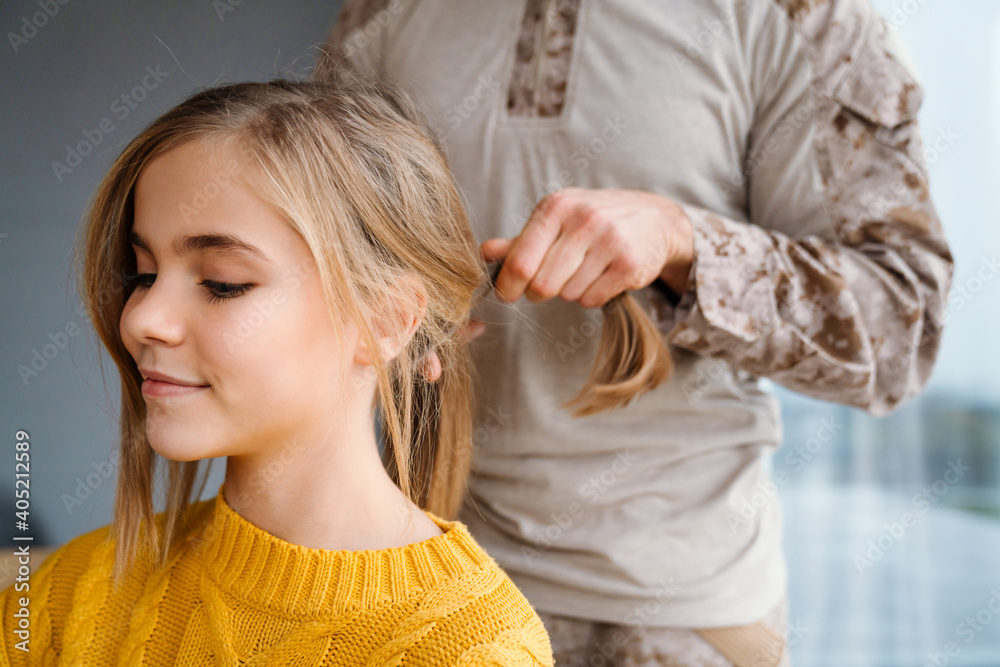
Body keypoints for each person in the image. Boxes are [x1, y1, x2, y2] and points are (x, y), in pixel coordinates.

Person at [318, 0, 955, 665]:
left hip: (679, 622)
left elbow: (903, 336)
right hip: (415, 587)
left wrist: (687, 246)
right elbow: (312, 259)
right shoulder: (379, 13)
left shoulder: (806, 18)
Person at [0, 72, 576, 665]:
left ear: (385, 321)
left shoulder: (471, 651)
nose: (144, 317)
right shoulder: (64, 595)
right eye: (144, 274)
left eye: (222, 284)